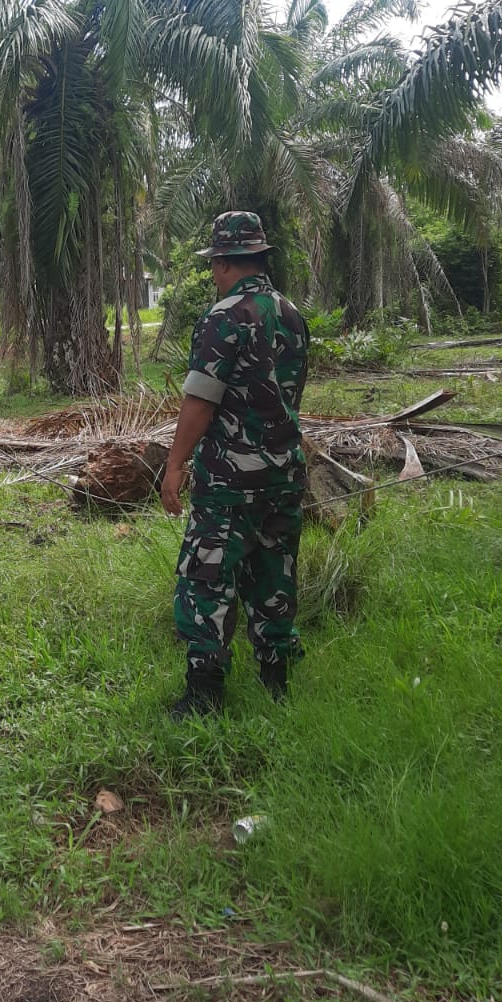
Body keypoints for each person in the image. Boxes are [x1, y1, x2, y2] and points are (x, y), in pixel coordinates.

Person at [160, 212, 309, 716]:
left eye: (213, 267)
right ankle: (276, 679)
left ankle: (204, 693)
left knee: (207, 579)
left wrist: (175, 465)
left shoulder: (224, 316)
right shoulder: (291, 314)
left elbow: (201, 400)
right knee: (275, 574)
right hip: (284, 473)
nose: (213, 276)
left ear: (223, 262)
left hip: (229, 479)